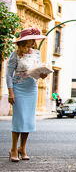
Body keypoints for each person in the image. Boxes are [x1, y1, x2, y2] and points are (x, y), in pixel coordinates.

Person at [6, 28, 48, 162]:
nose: (34, 42)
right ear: (25, 41)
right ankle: (13, 149)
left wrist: (42, 74)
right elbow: (8, 75)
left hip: (32, 88)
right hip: (18, 89)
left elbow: (37, 70)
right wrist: (10, 92)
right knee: (19, 119)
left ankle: (22, 148)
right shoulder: (15, 54)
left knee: (28, 119)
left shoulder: (36, 53)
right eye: (32, 39)